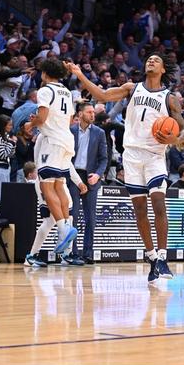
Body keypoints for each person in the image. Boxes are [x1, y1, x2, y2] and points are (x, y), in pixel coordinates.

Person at [67, 54, 184, 282]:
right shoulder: (132, 88)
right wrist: (79, 74)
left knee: (158, 203)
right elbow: (101, 95)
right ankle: (151, 258)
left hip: (154, 156)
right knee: (140, 209)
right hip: (131, 155)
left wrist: (175, 139)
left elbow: (181, 129)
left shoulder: (169, 98)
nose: (151, 61)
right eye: (149, 59)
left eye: (156, 60)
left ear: (163, 69)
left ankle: (163, 257)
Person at [29, 58, 78, 256]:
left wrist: (30, 124)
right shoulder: (66, 91)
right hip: (67, 140)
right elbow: (70, 118)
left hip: (53, 141)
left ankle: (62, 228)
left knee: (46, 186)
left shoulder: (45, 90)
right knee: (59, 184)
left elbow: (42, 117)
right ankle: (65, 225)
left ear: (45, 73)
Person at [69, 102, 108, 265]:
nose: (93, 115)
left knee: (90, 217)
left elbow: (104, 158)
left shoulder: (99, 133)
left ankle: (88, 253)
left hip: (91, 176)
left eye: (94, 112)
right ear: (79, 114)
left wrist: (98, 175)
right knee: (74, 216)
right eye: (89, 112)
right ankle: (73, 252)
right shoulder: (70, 131)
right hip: (73, 175)